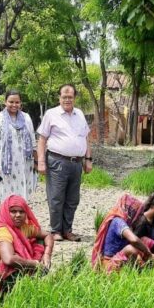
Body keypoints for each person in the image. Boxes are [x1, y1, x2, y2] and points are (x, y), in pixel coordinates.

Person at [36, 84, 92, 242]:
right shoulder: (51, 114)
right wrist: (41, 161)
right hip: (57, 161)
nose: (67, 100)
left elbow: (86, 138)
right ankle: (56, 230)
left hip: (76, 163)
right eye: (64, 97)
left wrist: (88, 159)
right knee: (56, 197)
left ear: (75, 98)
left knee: (73, 199)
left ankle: (67, 230)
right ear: (59, 97)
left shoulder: (79, 114)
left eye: (70, 97)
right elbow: (42, 139)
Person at [0, 195, 54, 288]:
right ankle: (11, 289)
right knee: (13, 259)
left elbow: (48, 235)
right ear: (6, 213)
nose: (18, 215)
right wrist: (35, 264)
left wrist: (47, 255)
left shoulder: (24, 228)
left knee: (39, 241)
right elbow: (9, 259)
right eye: (13, 211)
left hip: (12, 270)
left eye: (21, 211)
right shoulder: (3, 232)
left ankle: (27, 280)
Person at [0, 90, 38, 201]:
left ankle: (21, 212)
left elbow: (33, 143)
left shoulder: (26, 118)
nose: (14, 105)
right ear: (5, 102)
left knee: (22, 197)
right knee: (6, 196)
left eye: (17, 102)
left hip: (25, 164)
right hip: (6, 166)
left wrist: (36, 162)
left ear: (20, 103)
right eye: (11, 102)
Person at [92, 194, 154, 274]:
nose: (137, 216)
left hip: (119, 257)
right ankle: (137, 271)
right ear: (129, 211)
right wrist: (148, 253)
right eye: (135, 212)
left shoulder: (126, 222)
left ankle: (142, 267)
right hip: (109, 262)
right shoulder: (118, 221)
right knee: (131, 249)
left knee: (145, 240)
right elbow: (134, 240)